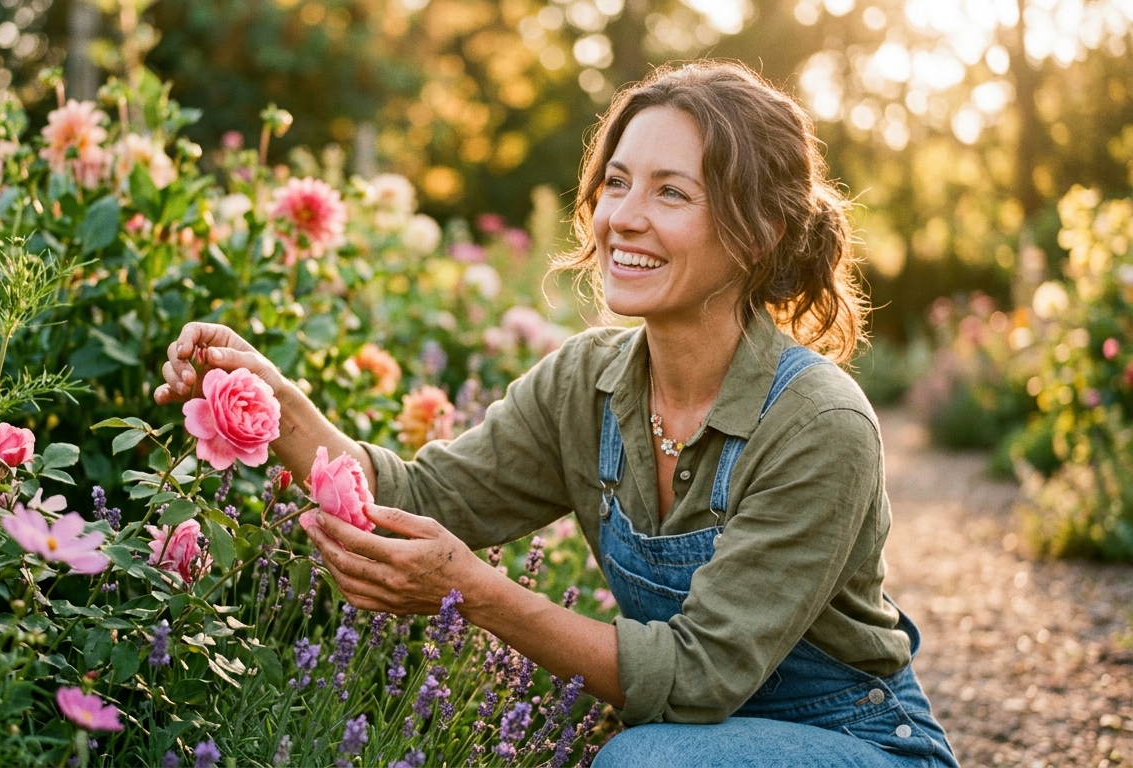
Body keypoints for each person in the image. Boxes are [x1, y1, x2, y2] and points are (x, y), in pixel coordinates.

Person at [155, 61, 958, 767]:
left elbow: (697, 678)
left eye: (670, 191)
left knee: (641, 765)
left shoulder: (817, 421)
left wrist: (479, 593)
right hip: (697, 740)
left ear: (761, 233)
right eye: (617, 181)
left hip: (859, 744)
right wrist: (269, 397)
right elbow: (423, 498)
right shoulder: (588, 383)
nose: (622, 217)